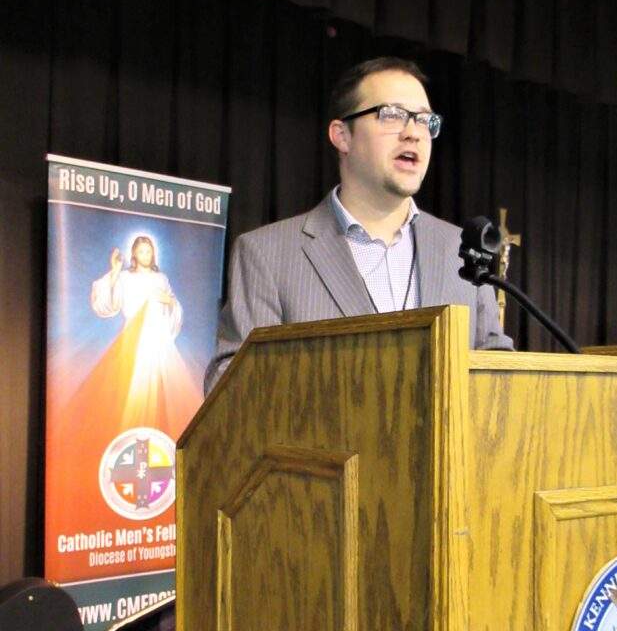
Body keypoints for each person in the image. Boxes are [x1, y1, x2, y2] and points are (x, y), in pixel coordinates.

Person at [204, 57, 512, 393]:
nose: (413, 133)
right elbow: (230, 391)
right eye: (391, 115)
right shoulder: (267, 254)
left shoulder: (461, 252)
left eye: (425, 121)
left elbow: (499, 377)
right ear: (342, 136)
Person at [91, 234, 182, 339]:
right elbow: (105, 297)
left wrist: (169, 301)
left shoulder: (161, 278)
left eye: (148, 252)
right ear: (134, 254)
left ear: (153, 253)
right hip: (132, 334)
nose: (145, 255)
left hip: (157, 336)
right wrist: (115, 270)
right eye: (141, 252)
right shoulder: (125, 277)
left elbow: (174, 306)